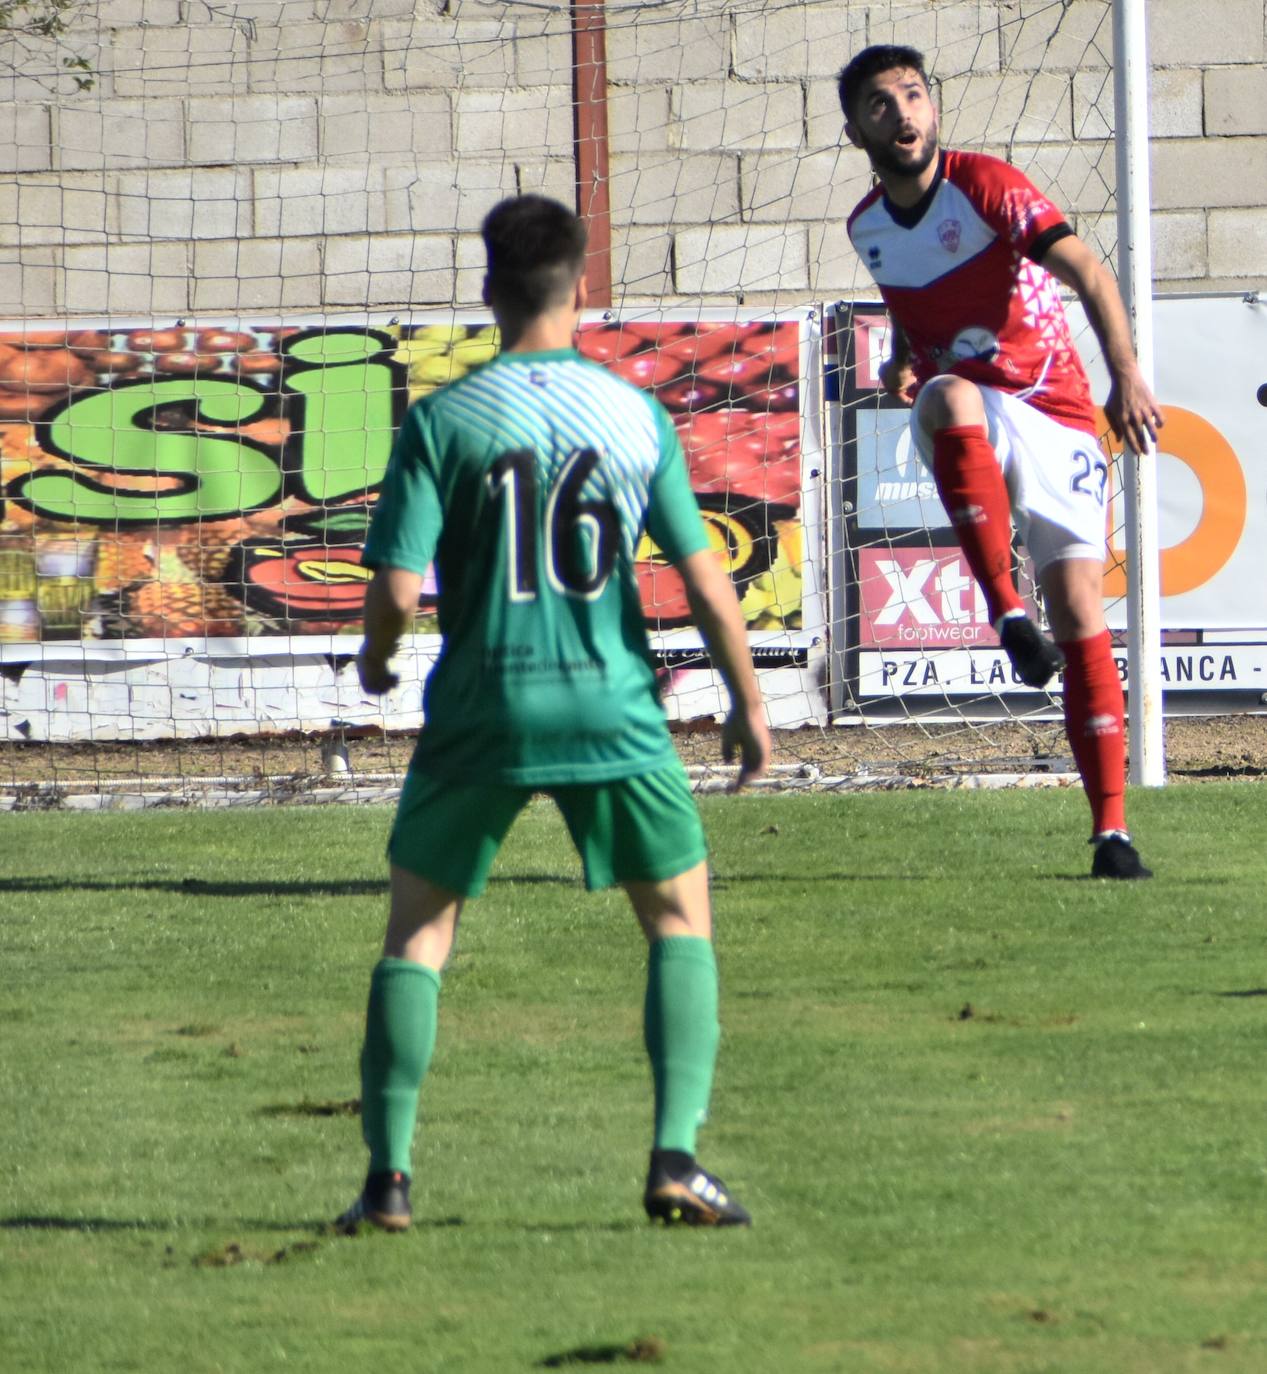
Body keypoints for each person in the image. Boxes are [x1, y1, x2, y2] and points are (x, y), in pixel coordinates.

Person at [339, 194, 771, 1232]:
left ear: (489, 288)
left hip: (481, 705)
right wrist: (749, 703)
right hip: (610, 706)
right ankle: (675, 1158)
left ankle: (387, 1181)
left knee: (418, 935)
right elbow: (709, 586)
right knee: (676, 917)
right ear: (582, 285)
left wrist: (378, 658)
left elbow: (396, 593)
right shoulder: (632, 414)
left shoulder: (446, 418)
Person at [838, 44, 1163, 880]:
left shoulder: (984, 184)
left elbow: (1085, 268)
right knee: (944, 397)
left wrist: (1125, 376)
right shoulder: (865, 227)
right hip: (971, 405)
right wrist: (904, 356)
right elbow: (911, 303)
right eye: (880, 103)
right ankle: (1005, 613)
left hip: (1054, 410)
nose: (902, 113)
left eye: (913, 95)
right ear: (855, 129)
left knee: (1083, 612)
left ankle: (1112, 834)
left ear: (933, 108)